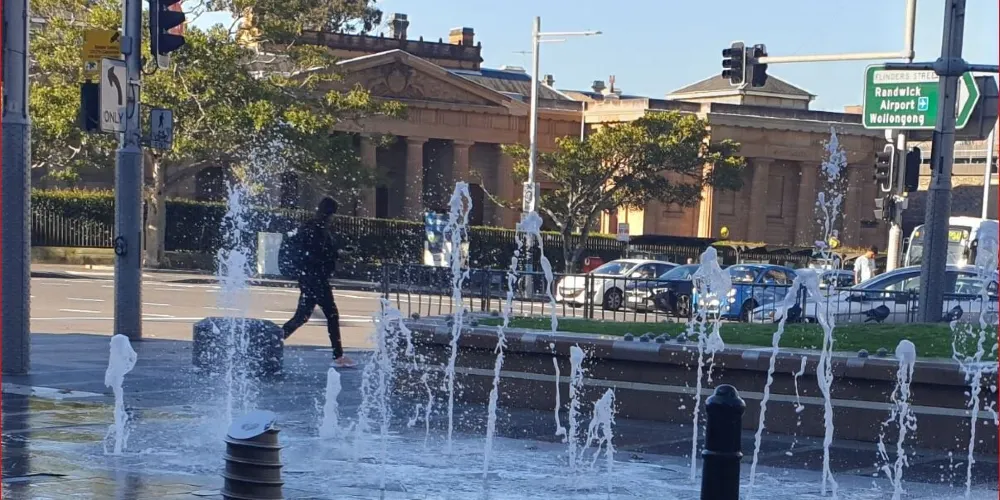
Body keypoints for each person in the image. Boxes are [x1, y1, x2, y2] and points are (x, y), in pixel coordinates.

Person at [282, 197, 357, 368]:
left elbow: (316, 252)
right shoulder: (317, 229)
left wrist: (336, 253)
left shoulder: (310, 226)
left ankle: (272, 339)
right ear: (330, 213)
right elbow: (319, 254)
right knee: (331, 314)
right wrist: (338, 254)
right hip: (316, 279)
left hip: (308, 278)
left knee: (302, 316)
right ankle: (338, 356)